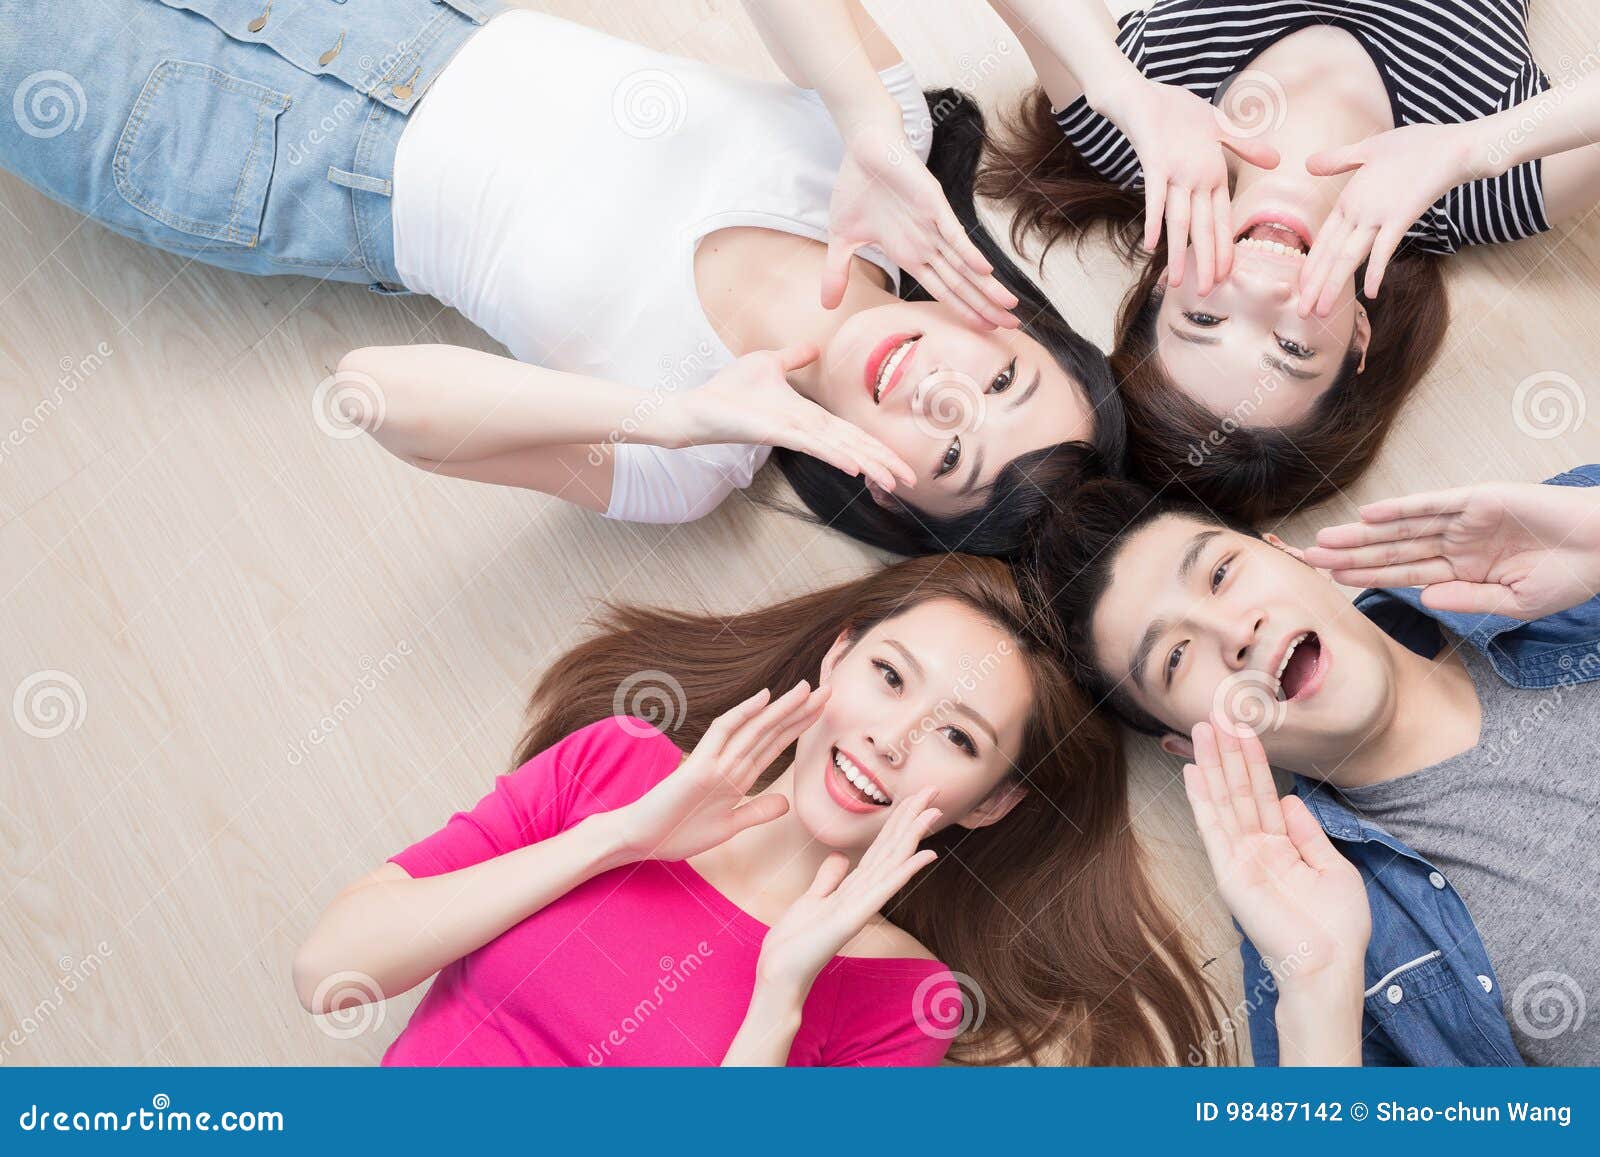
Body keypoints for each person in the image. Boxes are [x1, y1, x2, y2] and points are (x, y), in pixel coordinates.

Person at [0, 0, 1123, 556]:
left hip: (248, 154)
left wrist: (670, 414)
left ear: (896, 492)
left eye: (957, 451)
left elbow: (376, 395)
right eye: (1003, 383)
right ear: (1012, 323)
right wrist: (863, 117)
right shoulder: (894, 162)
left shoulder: (691, 465)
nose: (946, 395)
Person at [293, 555, 1222, 1065]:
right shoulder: (616, 768)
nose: (892, 739)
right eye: (889, 677)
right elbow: (330, 970)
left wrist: (776, 1001)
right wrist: (616, 838)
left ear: (991, 804)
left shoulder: (906, 1003)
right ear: (838, 656)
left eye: (958, 738)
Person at [1032, 466, 1600, 1064]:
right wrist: (1320, 988)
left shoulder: (1540, 537)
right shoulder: (1300, 927)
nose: (1234, 633)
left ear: (1288, 554)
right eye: (1175, 657)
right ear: (1191, 742)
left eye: (1221, 573)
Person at [975, 0, 1600, 520]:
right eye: (1293, 349)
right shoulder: (1486, 190)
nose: (1257, 287)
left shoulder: (1139, 133)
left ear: (1166, 282)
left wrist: (1118, 85)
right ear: (1358, 336)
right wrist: (1475, 148)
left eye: (1204, 321)